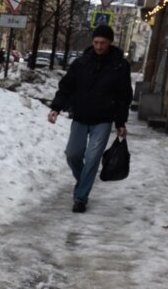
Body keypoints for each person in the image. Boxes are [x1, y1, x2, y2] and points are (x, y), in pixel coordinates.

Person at [46, 24, 132, 213]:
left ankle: (80, 198)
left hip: (103, 119)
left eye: (103, 43)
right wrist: (56, 108)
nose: (99, 46)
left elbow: (123, 97)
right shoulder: (81, 63)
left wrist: (120, 122)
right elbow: (66, 87)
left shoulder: (119, 66)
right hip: (81, 116)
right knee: (72, 155)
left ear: (110, 42)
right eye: (96, 42)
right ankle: (83, 180)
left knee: (92, 158)